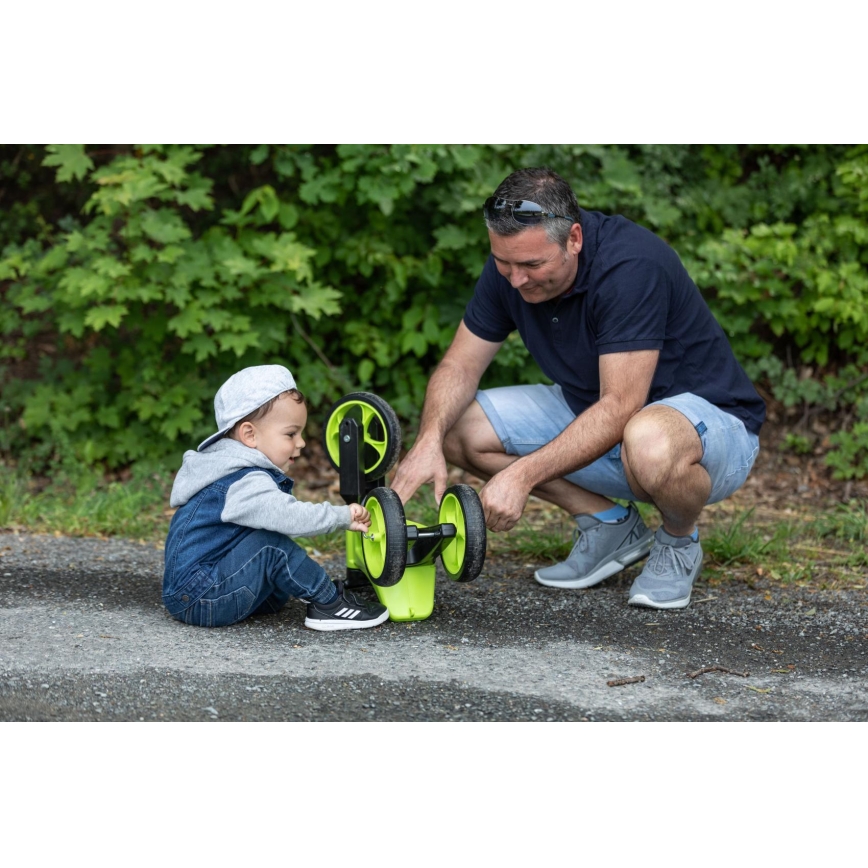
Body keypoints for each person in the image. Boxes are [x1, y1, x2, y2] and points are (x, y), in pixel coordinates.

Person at [390, 167, 765, 610]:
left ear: (574, 238)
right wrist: (428, 441)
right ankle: (608, 525)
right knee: (457, 428)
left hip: (709, 430)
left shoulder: (630, 267)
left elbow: (623, 405)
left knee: (647, 438)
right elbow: (458, 365)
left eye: (531, 265)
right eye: (503, 263)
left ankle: (679, 541)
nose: (516, 280)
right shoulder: (510, 267)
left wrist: (521, 475)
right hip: (603, 416)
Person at [163, 364, 389, 631]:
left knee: (269, 551)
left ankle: (269, 594)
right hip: (202, 596)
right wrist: (342, 516)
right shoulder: (244, 479)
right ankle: (328, 602)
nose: (302, 442)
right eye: (291, 434)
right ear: (250, 435)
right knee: (270, 545)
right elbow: (290, 517)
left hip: (197, 591)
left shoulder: (226, 467)